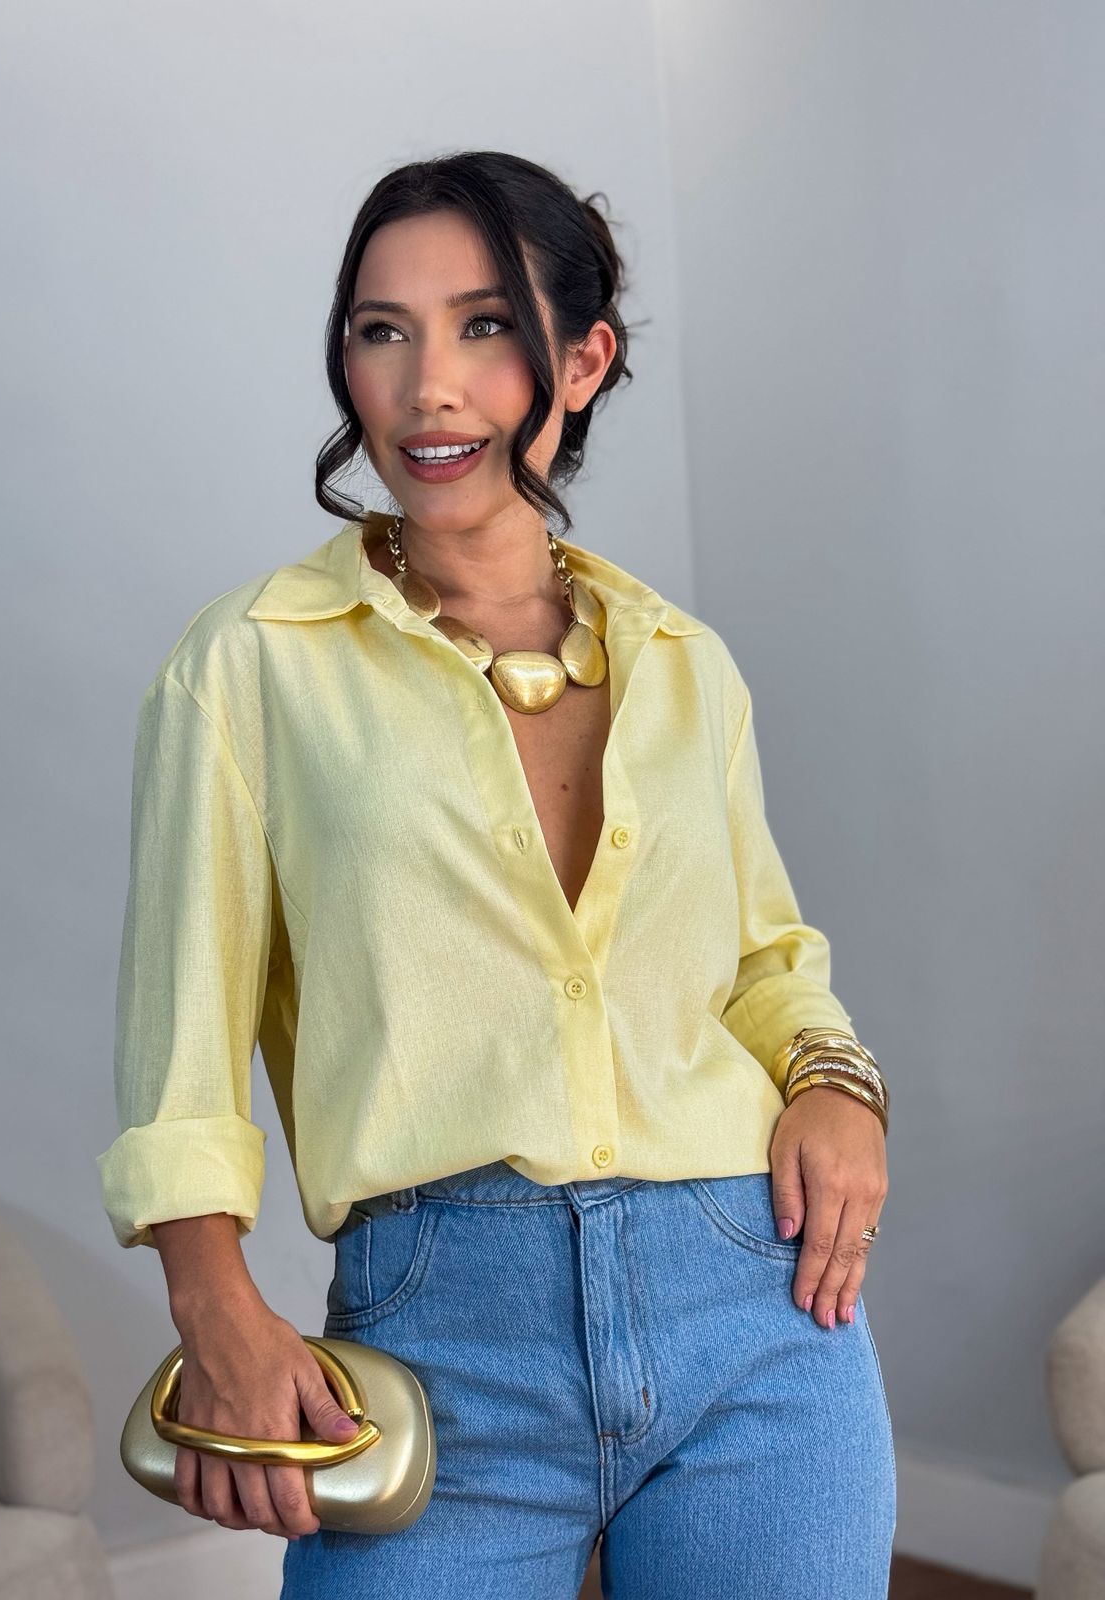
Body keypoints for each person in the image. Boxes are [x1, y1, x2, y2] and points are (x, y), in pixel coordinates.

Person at [96, 150, 896, 1598]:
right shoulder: (250, 666)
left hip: (756, 1308)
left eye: (483, 326)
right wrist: (214, 1306)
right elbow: (181, 1046)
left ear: (580, 361)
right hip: (438, 1336)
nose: (427, 388)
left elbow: (767, 964)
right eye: (381, 331)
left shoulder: (687, 666)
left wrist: (838, 1086)